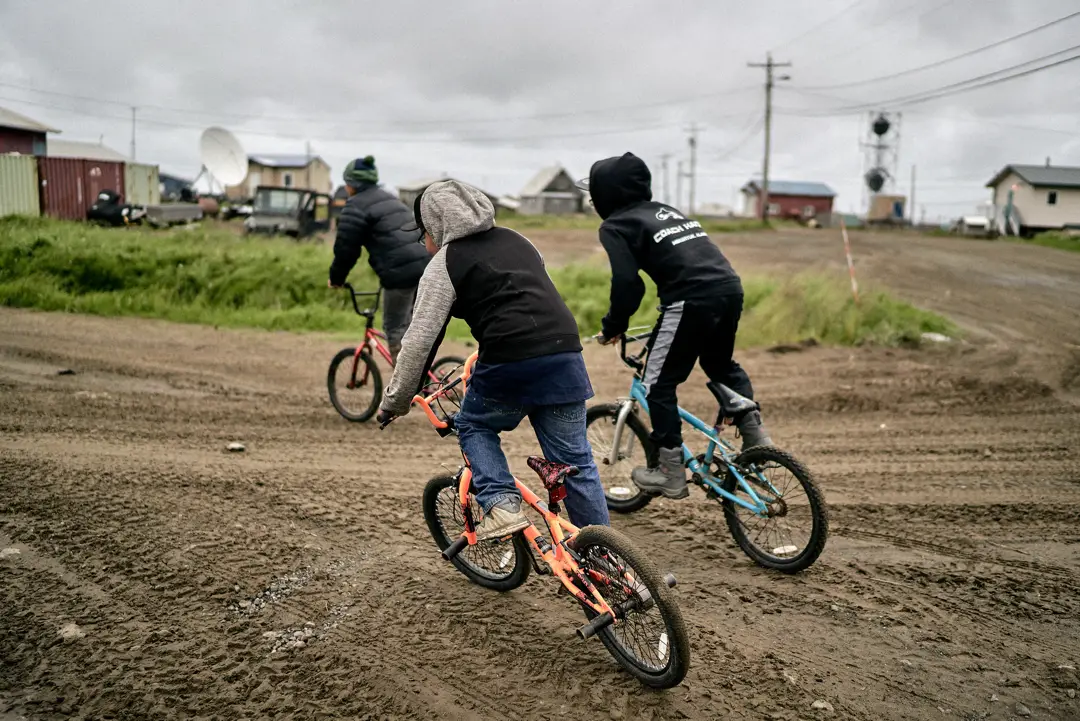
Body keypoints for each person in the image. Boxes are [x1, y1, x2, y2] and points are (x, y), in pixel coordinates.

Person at [377, 179, 610, 539]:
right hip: (564, 353)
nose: (424, 243)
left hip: (509, 358)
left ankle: (501, 503)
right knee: (576, 464)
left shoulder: (445, 263)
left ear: (435, 226)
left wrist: (396, 401)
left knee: (473, 425)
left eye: (423, 234)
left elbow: (420, 341)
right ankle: (608, 561)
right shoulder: (519, 240)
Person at [585, 152, 773, 500]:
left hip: (689, 298)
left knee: (656, 383)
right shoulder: (667, 211)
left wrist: (613, 326)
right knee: (719, 364)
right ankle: (754, 435)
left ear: (604, 195)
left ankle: (670, 470)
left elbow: (629, 284)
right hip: (729, 289)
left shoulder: (616, 225)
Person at [328, 156, 431, 361]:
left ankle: (408, 388)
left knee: (395, 328)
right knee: (412, 329)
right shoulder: (391, 199)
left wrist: (337, 279)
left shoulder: (355, 206)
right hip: (426, 266)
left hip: (400, 273)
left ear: (351, 184)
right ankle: (426, 377)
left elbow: (346, 250)